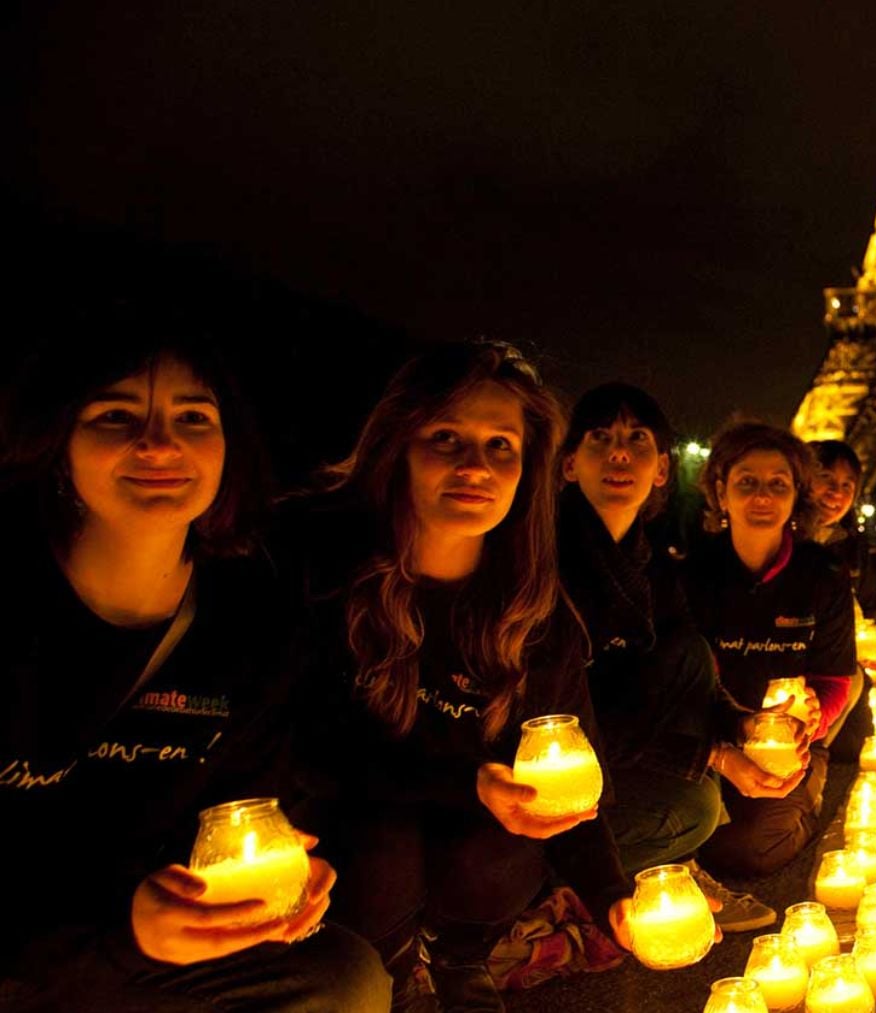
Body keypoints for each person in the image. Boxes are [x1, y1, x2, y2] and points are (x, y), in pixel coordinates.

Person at [0, 331, 387, 1011]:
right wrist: (120, 936)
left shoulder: (251, 621)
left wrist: (261, 871)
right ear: (59, 442)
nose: (159, 445)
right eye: (115, 416)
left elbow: (240, 802)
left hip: (132, 943)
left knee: (345, 978)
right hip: (27, 945)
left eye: (193, 418)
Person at [287, 343, 639, 1009]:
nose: (475, 466)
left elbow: (574, 781)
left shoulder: (536, 614)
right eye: (446, 437)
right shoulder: (322, 573)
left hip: (473, 867)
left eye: (500, 445)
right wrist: (465, 781)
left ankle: (461, 955)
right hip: (346, 852)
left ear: (528, 469)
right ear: (399, 446)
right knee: (385, 837)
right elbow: (308, 749)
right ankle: (387, 971)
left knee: (496, 839)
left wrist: (614, 896)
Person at [557, 382, 787, 931]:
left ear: (662, 469)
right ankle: (555, 891)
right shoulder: (547, 563)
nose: (619, 454)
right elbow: (582, 719)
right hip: (550, 781)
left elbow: (693, 673)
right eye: (600, 438)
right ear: (568, 464)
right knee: (693, 806)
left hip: (617, 758)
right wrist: (715, 754)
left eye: (637, 439)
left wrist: (745, 725)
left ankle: (659, 869)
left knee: (688, 654)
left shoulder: (652, 566)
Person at [682, 422, 859, 877]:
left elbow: (835, 676)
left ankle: (808, 794)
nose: (762, 496)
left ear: (796, 495)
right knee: (695, 824)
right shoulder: (689, 576)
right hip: (707, 735)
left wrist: (814, 719)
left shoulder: (823, 575)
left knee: (750, 849)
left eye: (778, 484)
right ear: (721, 493)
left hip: (788, 740)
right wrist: (722, 749)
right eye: (747, 482)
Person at [807, 439, 876, 619]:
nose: (836, 492)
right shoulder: (774, 540)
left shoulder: (854, 547)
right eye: (826, 477)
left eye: (847, 485)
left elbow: (869, 608)